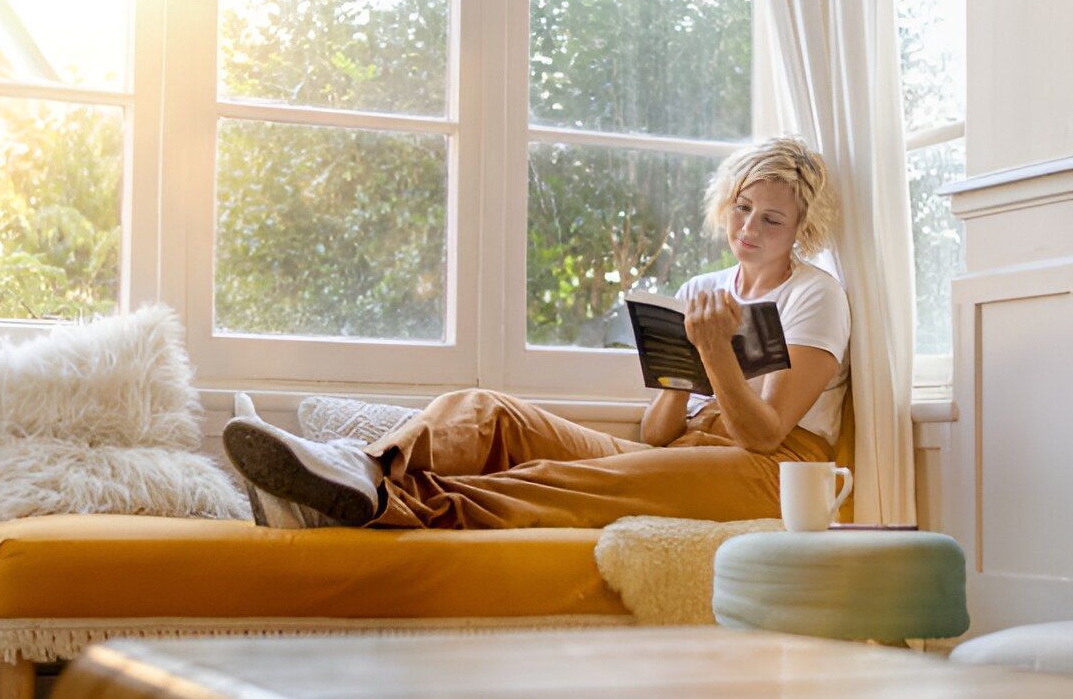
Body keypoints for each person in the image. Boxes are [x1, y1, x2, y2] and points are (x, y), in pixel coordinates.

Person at [223, 136, 850, 530]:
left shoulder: (814, 295)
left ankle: (367, 507)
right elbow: (659, 434)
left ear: (801, 229)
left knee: (569, 481)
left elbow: (766, 438)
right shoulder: (703, 290)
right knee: (488, 410)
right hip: (687, 449)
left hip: (774, 471)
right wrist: (682, 367)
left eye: (772, 218)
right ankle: (364, 468)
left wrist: (715, 354)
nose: (750, 228)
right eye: (743, 208)